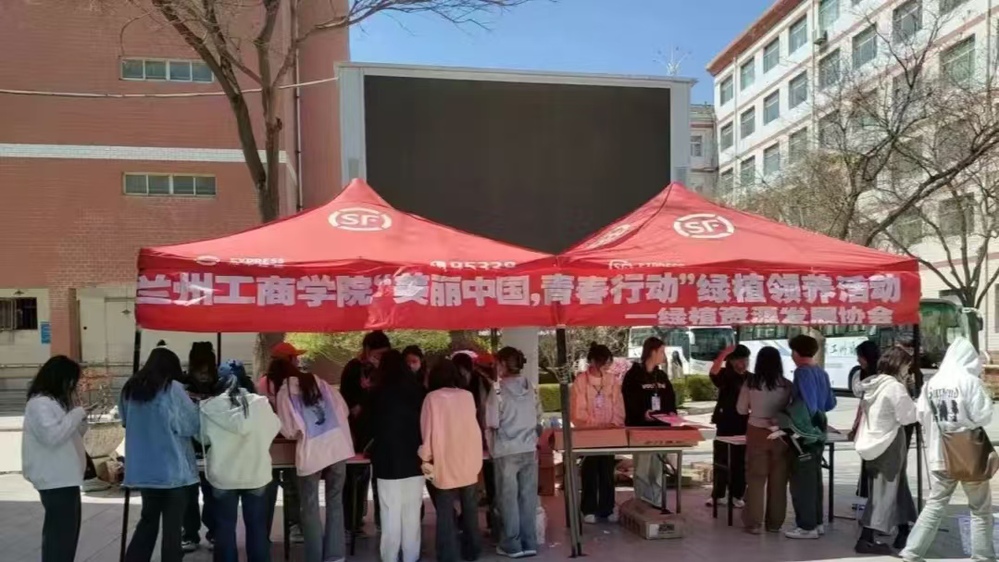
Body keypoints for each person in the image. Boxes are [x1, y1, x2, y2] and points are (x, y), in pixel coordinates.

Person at [901, 337, 995, 562]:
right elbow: (983, 416)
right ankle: (983, 556)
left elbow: (920, 414)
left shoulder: (933, 382)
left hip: (939, 451)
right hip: (969, 455)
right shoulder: (969, 381)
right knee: (980, 509)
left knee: (935, 504)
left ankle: (912, 551)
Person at [119, 347, 200, 562]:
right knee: (172, 529)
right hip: (172, 470)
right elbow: (190, 425)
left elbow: (125, 421)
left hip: (144, 470)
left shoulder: (130, 388)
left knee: (148, 521)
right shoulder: (171, 389)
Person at [200, 362, 282, 562]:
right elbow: (275, 428)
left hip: (223, 475)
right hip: (256, 472)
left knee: (224, 528)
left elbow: (201, 438)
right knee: (257, 527)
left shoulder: (209, 407)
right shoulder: (262, 404)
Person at [277, 363, 354, 562]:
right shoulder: (323, 384)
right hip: (338, 448)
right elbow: (344, 410)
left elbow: (289, 430)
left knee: (309, 506)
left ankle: (315, 557)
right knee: (335, 502)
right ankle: (335, 556)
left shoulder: (285, 392)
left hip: (311, 453)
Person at [22, 356, 88, 562]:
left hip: (66, 479)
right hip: (55, 480)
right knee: (60, 537)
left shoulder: (55, 403)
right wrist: (75, 414)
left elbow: (71, 435)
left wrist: (79, 418)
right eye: (72, 381)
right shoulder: (39, 404)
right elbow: (52, 437)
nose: (74, 386)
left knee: (67, 536)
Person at [854, 347, 918, 554]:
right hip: (890, 442)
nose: (908, 371)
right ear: (899, 365)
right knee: (885, 491)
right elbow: (907, 417)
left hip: (873, 441)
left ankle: (904, 530)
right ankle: (866, 538)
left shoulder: (873, 383)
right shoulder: (894, 387)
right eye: (907, 366)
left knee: (896, 487)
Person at [421, 359, 483, 562]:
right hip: (468, 458)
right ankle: (473, 550)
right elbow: (473, 427)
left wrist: (425, 457)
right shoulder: (467, 396)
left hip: (444, 460)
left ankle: (449, 555)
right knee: (470, 508)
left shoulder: (432, 398)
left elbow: (427, 431)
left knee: (445, 512)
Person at [486, 347, 542, 559]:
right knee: (528, 498)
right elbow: (539, 417)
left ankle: (512, 544)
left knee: (507, 499)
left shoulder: (497, 391)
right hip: (529, 448)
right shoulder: (532, 388)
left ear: (502, 364)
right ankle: (529, 542)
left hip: (506, 450)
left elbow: (492, 422)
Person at [370, 349, 426, 562]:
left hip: (386, 460)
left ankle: (390, 557)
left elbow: (368, 426)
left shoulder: (377, 393)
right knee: (412, 513)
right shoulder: (418, 391)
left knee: (389, 513)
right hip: (414, 459)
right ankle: (411, 557)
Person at [784, 334, 836, 540]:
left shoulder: (802, 372)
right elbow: (830, 403)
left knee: (802, 480)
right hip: (820, 430)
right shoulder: (821, 372)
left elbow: (809, 404)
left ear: (796, 352)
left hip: (805, 433)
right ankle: (817, 522)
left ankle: (807, 526)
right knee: (814, 478)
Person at [737, 346, 792, 534]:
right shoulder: (787, 385)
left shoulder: (751, 383)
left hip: (756, 430)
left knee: (756, 477)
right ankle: (775, 523)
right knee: (779, 479)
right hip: (781, 433)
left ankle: (754, 522)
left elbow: (741, 409)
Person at [340, 330, 391, 533]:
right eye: (378, 354)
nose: (381, 358)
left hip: (381, 429)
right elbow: (347, 402)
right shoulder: (353, 368)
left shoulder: (387, 370)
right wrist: (363, 398)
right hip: (357, 432)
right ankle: (352, 520)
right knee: (356, 478)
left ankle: (382, 519)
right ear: (367, 350)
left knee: (382, 477)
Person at [570, 342, 624, 524]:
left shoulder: (612, 380)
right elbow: (577, 410)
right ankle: (589, 508)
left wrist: (614, 423)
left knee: (607, 470)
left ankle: (607, 508)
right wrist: (591, 424)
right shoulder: (581, 380)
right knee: (590, 470)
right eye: (602, 362)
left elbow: (618, 404)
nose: (605, 367)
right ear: (592, 361)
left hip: (608, 431)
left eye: (607, 363)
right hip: (589, 432)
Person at [621, 337, 677, 507]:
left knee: (658, 468)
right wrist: (642, 413)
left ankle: (657, 504)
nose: (664, 355)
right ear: (652, 352)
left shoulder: (661, 375)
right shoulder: (633, 375)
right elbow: (628, 400)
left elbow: (670, 398)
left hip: (660, 429)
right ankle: (642, 503)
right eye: (661, 351)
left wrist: (671, 414)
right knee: (642, 468)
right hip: (641, 429)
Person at [258, 344, 304, 544]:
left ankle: (262, 533)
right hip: (292, 441)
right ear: (289, 359)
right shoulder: (296, 384)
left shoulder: (262, 383)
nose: (297, 361)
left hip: (269, 442)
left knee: (267, 488)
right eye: (295, 357)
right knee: (294, 486)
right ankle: (296, 527)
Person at [182, 342, 220, 552]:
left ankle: (212, 532)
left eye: (207, 371)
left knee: (211, 492)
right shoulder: (183, 386)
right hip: (189, 445)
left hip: (212, 446)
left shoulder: (220, 385)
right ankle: (191, 533)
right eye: (200, 370)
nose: (204, 375)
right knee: (190, 494)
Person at [707, 344, 751, 509]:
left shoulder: (751, 378)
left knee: (740, 461)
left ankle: (737, 494)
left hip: (744, 423)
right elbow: (713, 373)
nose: (743, 364)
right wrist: (724, 354)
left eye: (746, 360)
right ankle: (718, 494)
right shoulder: (725, 375)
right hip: (725, 421)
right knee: (721, 459)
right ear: (731, 361)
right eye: (739, 360)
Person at [849, 340, 882, 501]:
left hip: (875, 423)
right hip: (865, 420)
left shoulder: (879, 377)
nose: (858, 360)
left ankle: (870, 495)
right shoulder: (864, 373)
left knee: (873, 460)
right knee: (866, 459)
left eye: (860, 356)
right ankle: (864, 493)